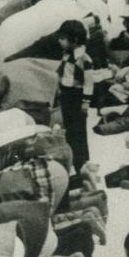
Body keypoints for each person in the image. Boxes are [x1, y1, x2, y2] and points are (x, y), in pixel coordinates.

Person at [55, 20, 93, 169]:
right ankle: (73, 158)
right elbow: (61, 72)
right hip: (66, 94)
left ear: (75, 40)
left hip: (77, 96)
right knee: (69, 128)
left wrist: (86, 102)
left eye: (63, 38)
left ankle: (81, 161)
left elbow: (89, 83)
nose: (60, 41)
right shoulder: (66, 55)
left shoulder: (84, 59)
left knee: (78, 129)